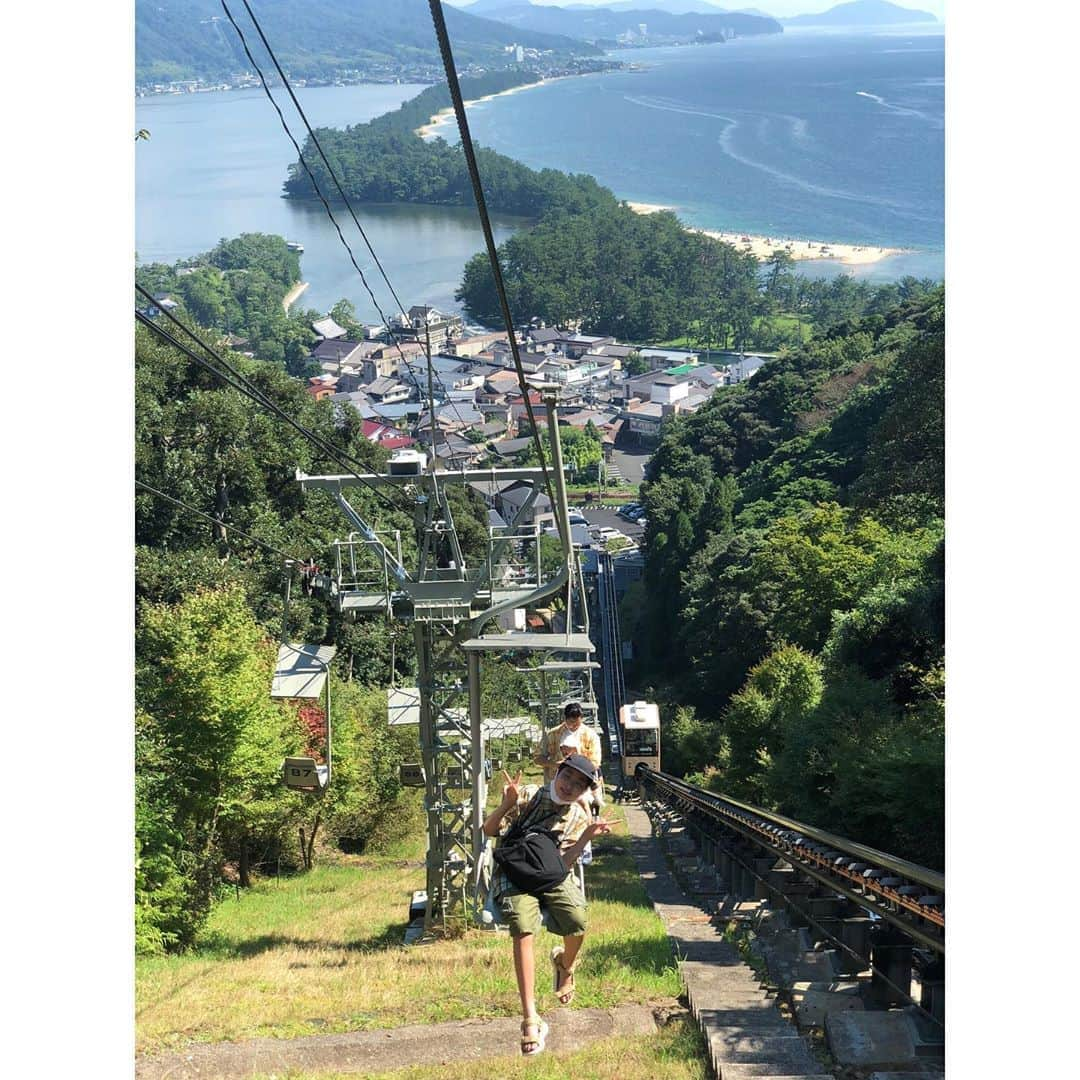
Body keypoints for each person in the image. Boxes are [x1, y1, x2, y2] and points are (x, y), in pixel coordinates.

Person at [484, 756, 614, 1056]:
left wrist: (584, 839)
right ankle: (530, 1019)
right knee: (523, 928)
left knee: (577, 919)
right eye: (568, 778)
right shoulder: (528, 795)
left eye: (580, 785)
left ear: (585, 791)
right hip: (515, 873)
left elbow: (563, 865)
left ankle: (565, 965)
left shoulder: (577, 816)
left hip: (548, 874)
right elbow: (489, 830)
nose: (570, 787)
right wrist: (507, 804)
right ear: (558, 773)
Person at [535, 702, 601, 784]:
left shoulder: (591, 736)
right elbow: (537, 758)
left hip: (581, 784)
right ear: (565, 719)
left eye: (577, 723)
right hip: (557, 783)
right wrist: (554, 764)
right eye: (571, 722)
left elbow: (596, 763)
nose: (573, 726)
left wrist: (578, 765)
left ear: (581, 719)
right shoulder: (553, 734)